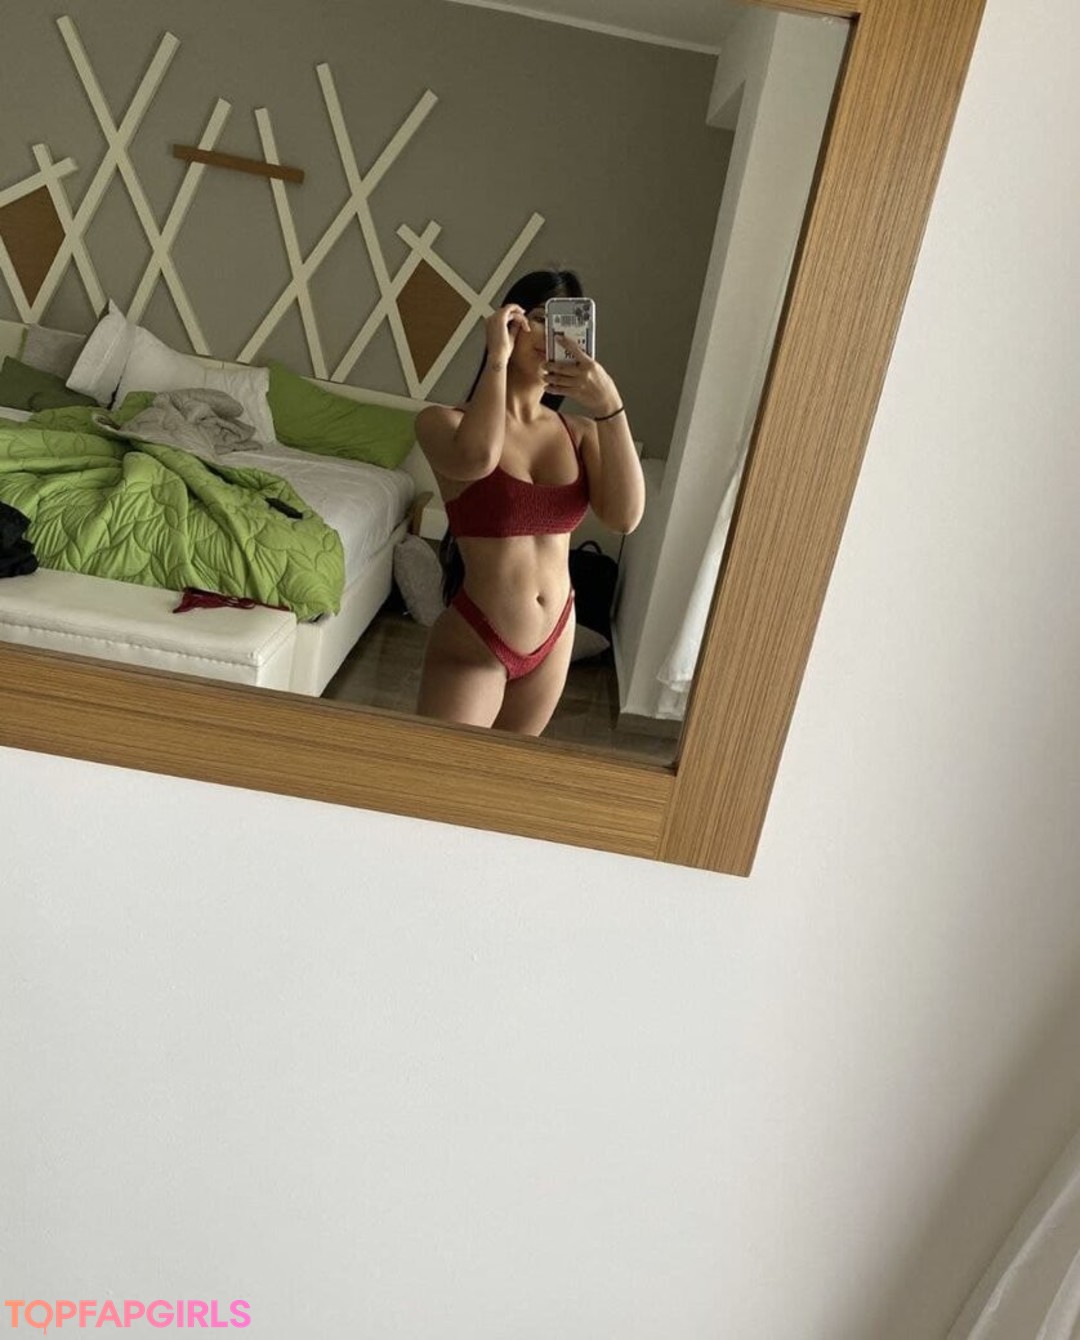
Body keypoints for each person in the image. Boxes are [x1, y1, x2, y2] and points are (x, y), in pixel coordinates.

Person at [415, 268, 645, 735]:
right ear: (509, 321)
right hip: (477, 639)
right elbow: (479, 458)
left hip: (555, 639)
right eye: (540, 318)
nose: (552, 334)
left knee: (503, 778)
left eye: (566, 322)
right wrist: (496, 360)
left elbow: (624, 518)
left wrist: (609, 406)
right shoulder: (442, 422)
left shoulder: (580, 433)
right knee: (437, 773)